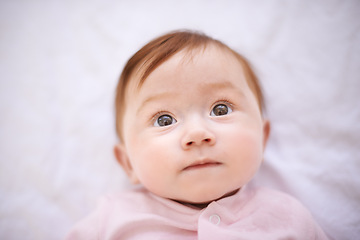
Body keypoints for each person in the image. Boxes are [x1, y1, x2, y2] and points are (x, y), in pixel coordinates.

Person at [66, 30, 328, 239]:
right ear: (127, 163)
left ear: (263, 137)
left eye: (221, 109)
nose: (197, 134)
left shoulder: (288, 217)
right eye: (164, 119)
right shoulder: (111, 219)